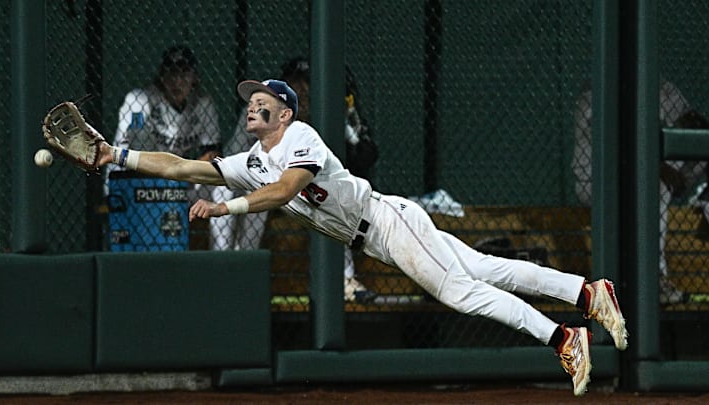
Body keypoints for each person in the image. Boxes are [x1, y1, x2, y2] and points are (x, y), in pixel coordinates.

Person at [99, 78, 628, 396]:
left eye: (264, 99)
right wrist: (115, 155)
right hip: (378, 233)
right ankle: (587, 293)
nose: (252, 103)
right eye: (249, 98)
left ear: (284, 113)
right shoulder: (251, 159)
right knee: (485, 271)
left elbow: (286, 190)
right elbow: (183, 166)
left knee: (461, 292)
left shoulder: (300, 137)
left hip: (388, 223)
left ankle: (564, 339)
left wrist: (225, 207)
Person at [210, 58, 379, 303]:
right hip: (260, 183)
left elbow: (364, 154)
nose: (300, 89)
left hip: (303, 191)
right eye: (293, 83)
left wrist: (348, 123)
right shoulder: (260, 112)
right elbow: (233, 157)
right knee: (232, 194)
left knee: (329, 202)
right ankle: (232, 269)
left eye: (305, 83)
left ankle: (345, 280)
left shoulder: (325, 117)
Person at [572, 79, 708, 305]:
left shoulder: (658, 86)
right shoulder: (595, 92)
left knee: (664, 179)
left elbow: (692, 121)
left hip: (644, 174)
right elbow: (617, 146)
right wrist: (660, 168)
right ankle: (655, 278)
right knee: (654, 187)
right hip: (596, 182)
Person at [108, 45, 222, 248]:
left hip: (182, 181)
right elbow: (131, 151)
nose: (177, 81)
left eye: (184, 73)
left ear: (195, 78)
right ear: (161, 76)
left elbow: (212, 153)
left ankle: (223, 258)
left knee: (223, 187)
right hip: (135, 181)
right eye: (171, 73)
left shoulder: (203, 103)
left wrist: (182, 176)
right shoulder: (140, 100)